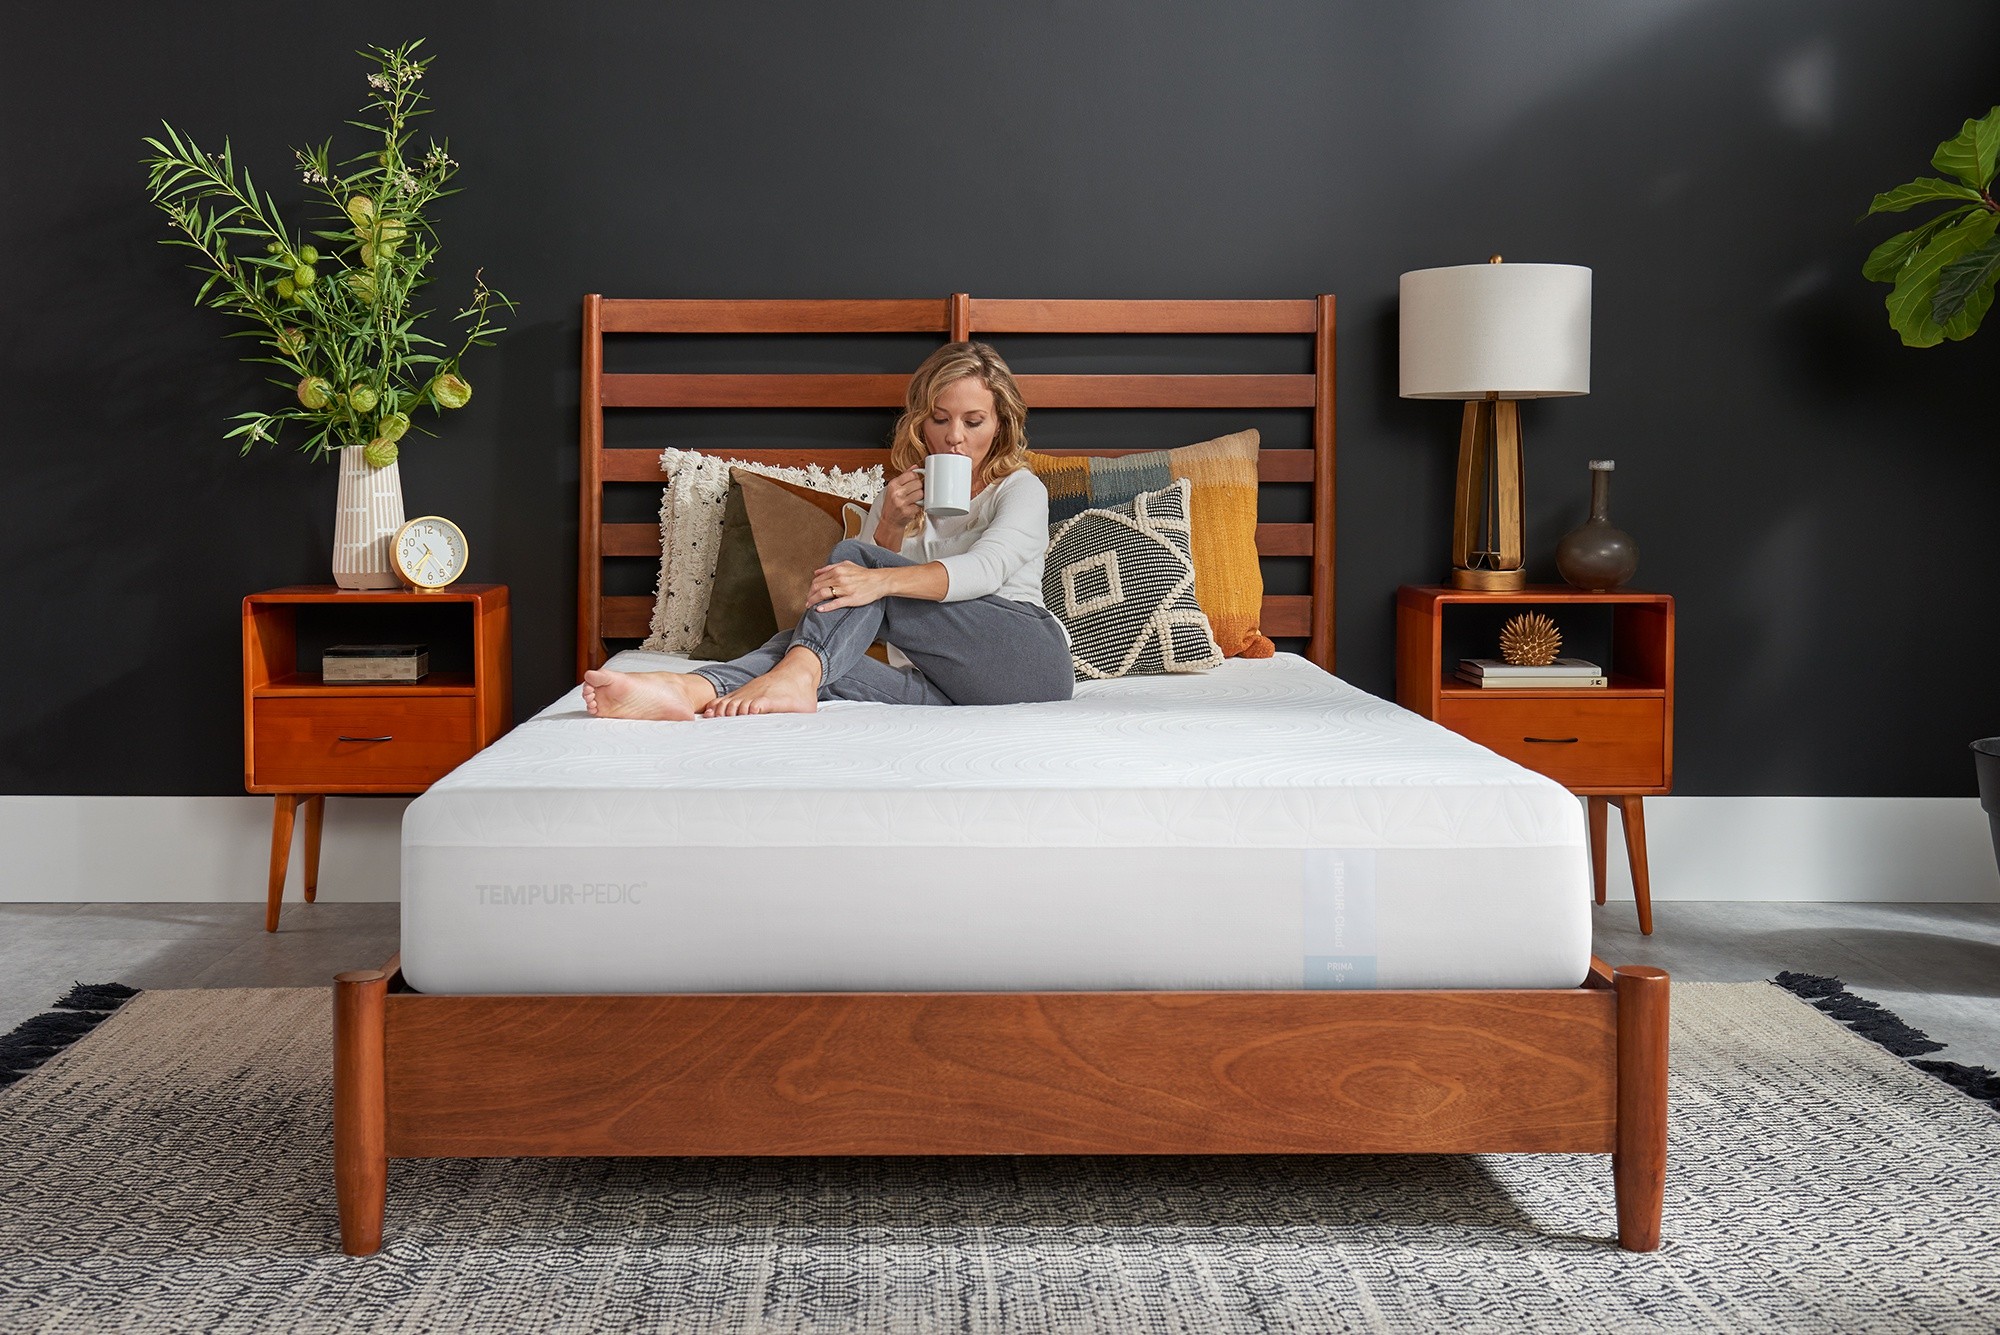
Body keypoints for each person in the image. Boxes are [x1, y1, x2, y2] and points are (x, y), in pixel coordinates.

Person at [581, 341, 1074, 720]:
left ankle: (779, 677)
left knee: (851, 569)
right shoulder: (900, 496)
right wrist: (889, 524)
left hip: (1025, 663)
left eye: (974, 421)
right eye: (940, 419)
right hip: (943, 684)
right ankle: (689, 689)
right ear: (921, 423)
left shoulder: (1020, 488)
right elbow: (851, 602)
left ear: (1000, 424)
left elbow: (985, 570)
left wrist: (877, 577)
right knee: (812, 653)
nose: (955, 437)